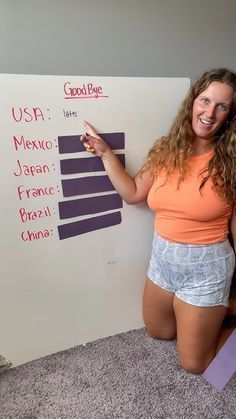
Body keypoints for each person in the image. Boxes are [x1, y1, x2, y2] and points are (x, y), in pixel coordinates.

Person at [80, 68, 236, 375]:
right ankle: (221, 310)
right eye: (205, 100)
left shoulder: (230, 160)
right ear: (193, 102)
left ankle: (219, 311)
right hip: (163, 262)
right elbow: (134, 192)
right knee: (159, 332)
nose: (209, 112)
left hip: (207, 268)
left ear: (230, 115)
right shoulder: (167, 148)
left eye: (222, 106)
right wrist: (105, 153)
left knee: (197, 365)